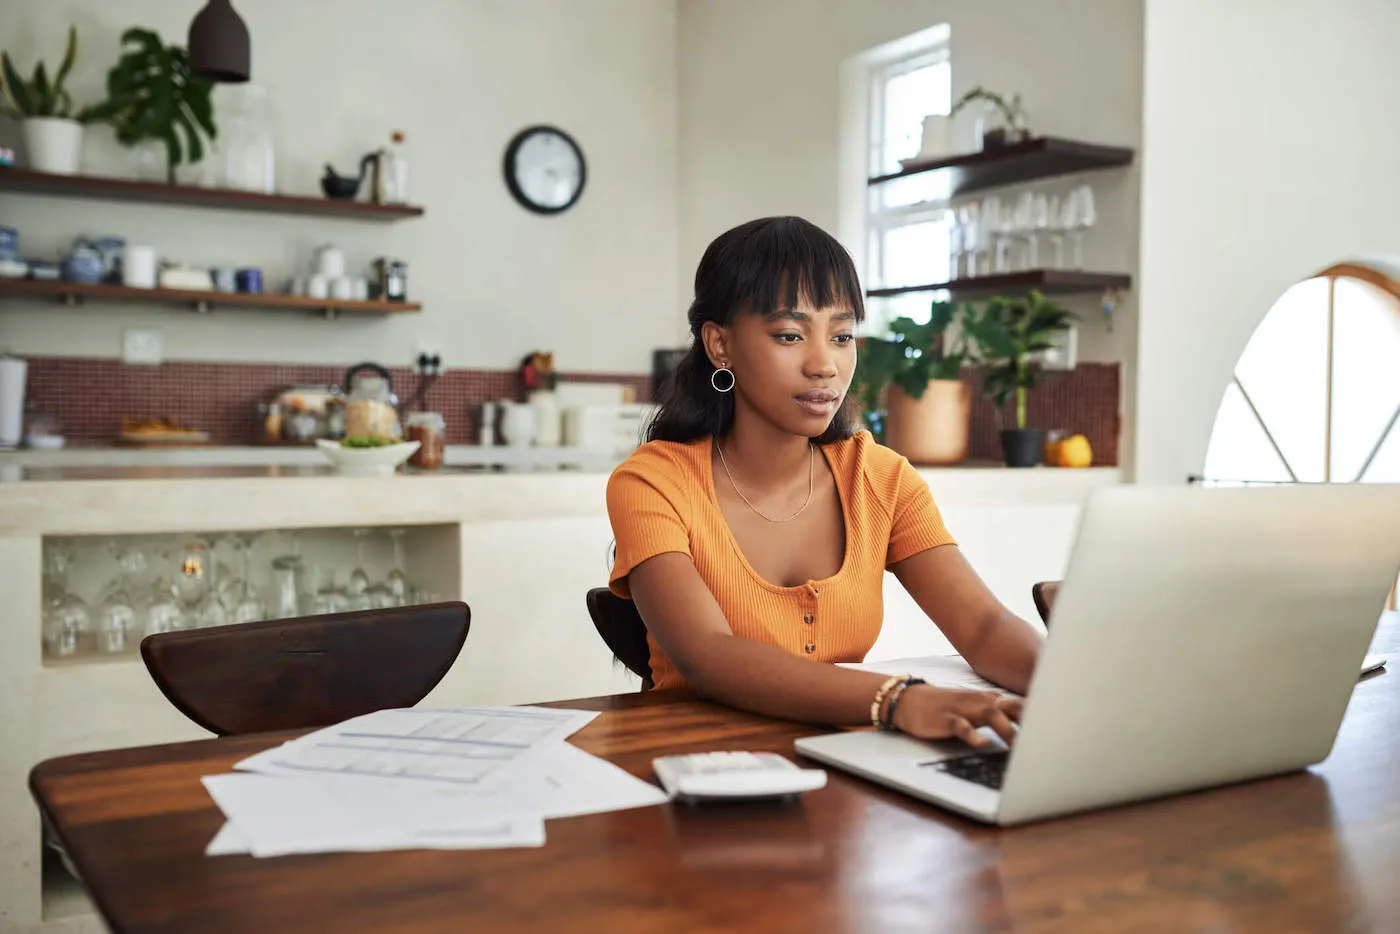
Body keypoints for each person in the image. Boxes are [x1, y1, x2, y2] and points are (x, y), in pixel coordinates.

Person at [606, 216, 1042, 749]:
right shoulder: (653, 482)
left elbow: (984, 629)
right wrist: (897, 700)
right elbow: (707, 654)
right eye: (790, 335)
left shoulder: (879, 479)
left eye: (841, 336)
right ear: (720, 346)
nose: (825, 366)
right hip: (696, 774)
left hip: (847, 769)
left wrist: (1075, 692)